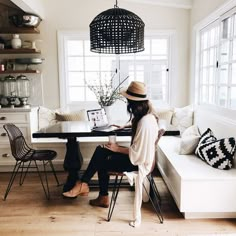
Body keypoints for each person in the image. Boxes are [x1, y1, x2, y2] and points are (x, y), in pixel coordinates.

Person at [62, 81, 160, 216]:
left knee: (101, 157)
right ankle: (91, 189)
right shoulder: (149, 117)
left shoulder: (144, 122)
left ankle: (86, 186)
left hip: (138, 164)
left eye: (128, 100)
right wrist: (125, 127)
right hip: (143, 160)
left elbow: (137, 155)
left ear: (133, 103)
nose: (127, 103)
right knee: (101, 152)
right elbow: (141, 143)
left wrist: (117, 149)